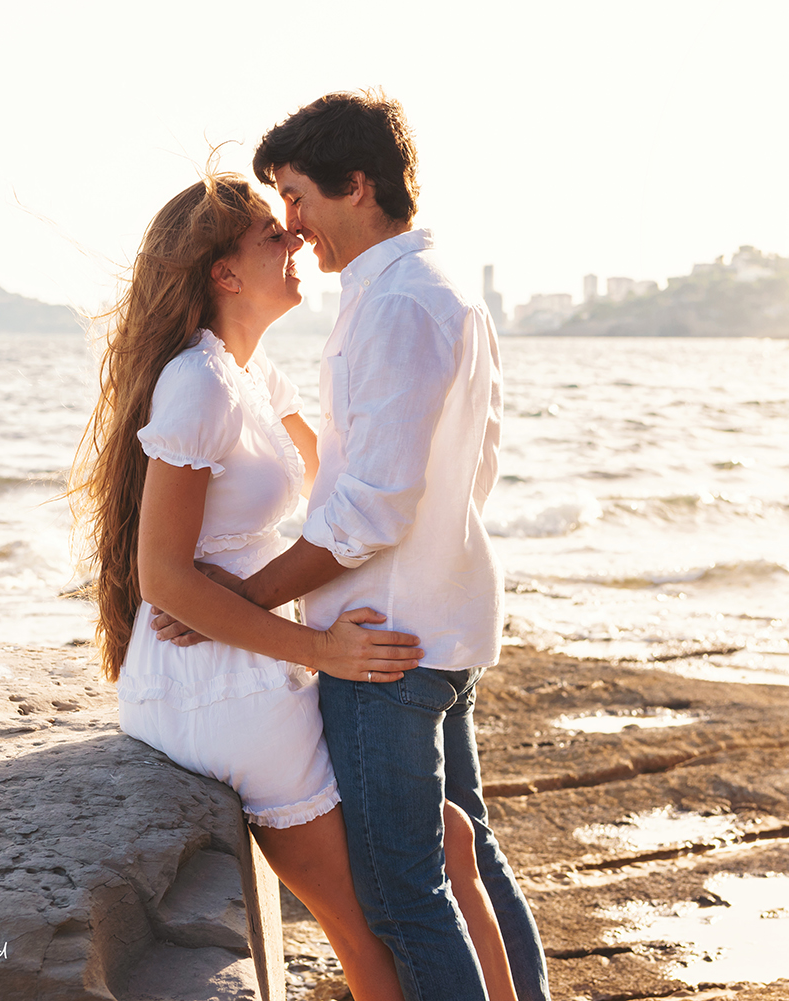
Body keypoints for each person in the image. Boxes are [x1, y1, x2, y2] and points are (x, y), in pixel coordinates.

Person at [68, 172, 519, 1001]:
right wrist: (324, 650)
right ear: (224, 274)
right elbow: (163, 578)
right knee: (369, 920)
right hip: (219, 685)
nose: (297, 240)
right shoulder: (196, 384)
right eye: (274, 236)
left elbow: (346, 478)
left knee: (449, 842)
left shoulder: (251, 375)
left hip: (253, 654)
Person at [160, 90, 551, 1001]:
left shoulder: (396, 306)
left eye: (297, 196)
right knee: (468, 856)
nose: (292, 227)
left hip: (386, 643)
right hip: (435, 618)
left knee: (404, 892)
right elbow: (472, 468)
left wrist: (243, 599)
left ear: (357, 185)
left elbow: (368, 512)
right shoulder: (434, 287)